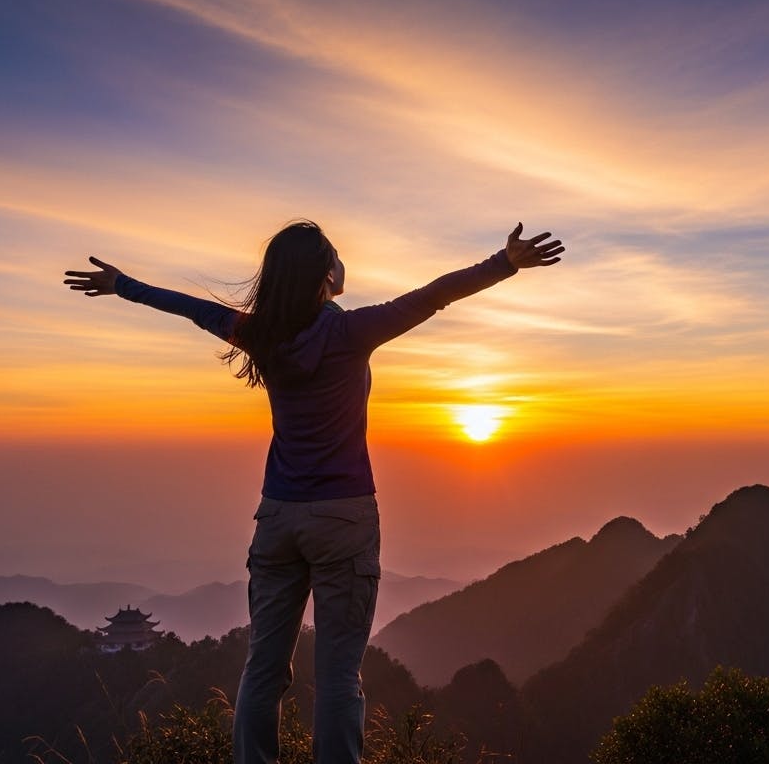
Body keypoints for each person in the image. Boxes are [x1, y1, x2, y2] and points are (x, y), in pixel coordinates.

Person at [63, 220, 564, 763]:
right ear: (327, 274)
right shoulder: (352, 332)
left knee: (263, 668)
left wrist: (122, 285)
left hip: (277, 519)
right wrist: (504, 263)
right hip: (344, 518)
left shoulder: (259, 334)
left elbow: (188, 307)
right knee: (338, 675)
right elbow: (435, 295)